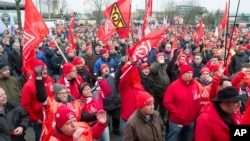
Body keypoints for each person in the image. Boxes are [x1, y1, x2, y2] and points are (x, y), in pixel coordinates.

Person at [163, 64, 201, 141]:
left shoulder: (195, 85)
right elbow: (167, 102)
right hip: (176, 121)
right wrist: (178, 114)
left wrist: (196, 112)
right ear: (182, 74)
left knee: (186, 138)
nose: (189, 75)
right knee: (172, 138)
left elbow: (197, 100)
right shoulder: (173, 86)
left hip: (190, 120)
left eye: (191, 73)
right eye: (187, 73)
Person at [21, 60, 54, 141]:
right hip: (39, 119)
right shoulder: (28, 86)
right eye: (42, 69)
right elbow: (25, 105)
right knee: (41, 137)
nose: (45, 71)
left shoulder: (49, 79)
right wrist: (34, 118)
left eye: (46, 68)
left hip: (51, 115)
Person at [150, 52, 170, 120]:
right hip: (156, 91)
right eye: (159, 57)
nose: (161, 58)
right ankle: (152, 118)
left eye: (162, 57)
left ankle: (161, 119)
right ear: (157, 58)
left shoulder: (166, 66)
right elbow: (152, 70)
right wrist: (158, 63)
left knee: (163, 107)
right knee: (154, 106)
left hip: (165, 91)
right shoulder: (154, 64)